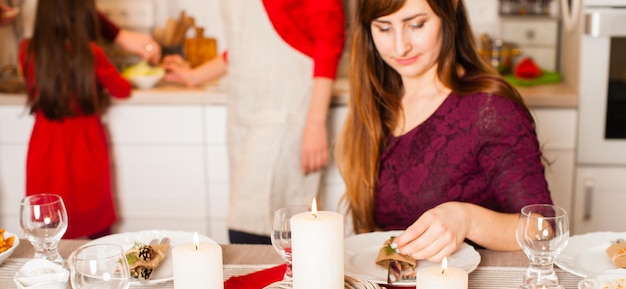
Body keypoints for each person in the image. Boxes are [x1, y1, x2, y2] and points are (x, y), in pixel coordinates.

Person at [335, 0, 553, 262]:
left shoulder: (490, 109)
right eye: (384, 28)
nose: (400, 46)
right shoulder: (378, 100)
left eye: (416, 24)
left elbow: (543, 229)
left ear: (450, 8)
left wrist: (467, 219)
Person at [162, 0, 346, 244]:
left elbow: (328, 38)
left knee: (252, 220)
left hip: (285, 110)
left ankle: (271, 281)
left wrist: (315, 122)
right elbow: (246, 43)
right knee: (263, 220)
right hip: (243, 113)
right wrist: (195, 75)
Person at [19, 0, 132, 239]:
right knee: (96, 227)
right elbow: (122, 89)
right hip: (86, 149)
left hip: (44, 147)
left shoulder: (26, 50)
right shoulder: (91, 53)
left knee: (48, 226)